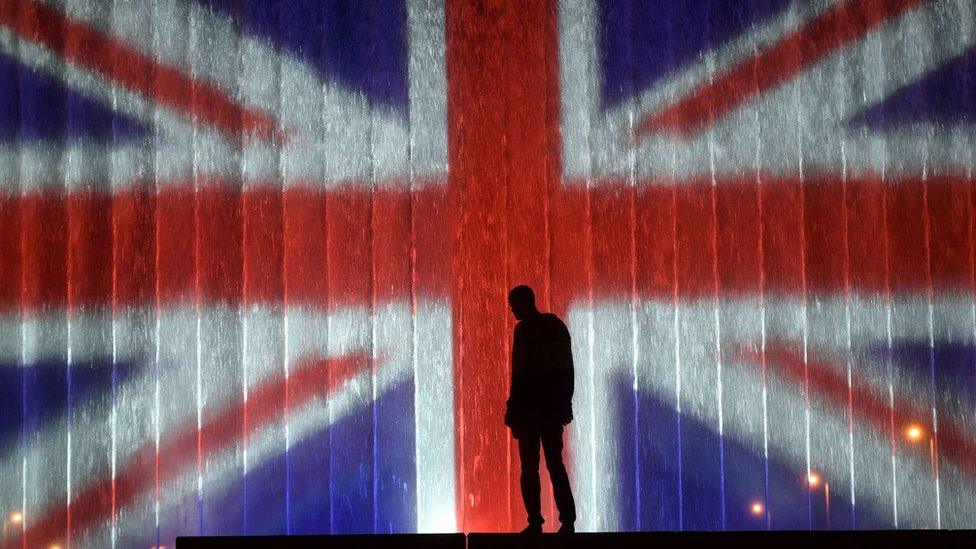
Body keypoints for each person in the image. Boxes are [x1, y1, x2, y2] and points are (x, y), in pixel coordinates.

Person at [504, 285, 577, 534]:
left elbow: (520, 375)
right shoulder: (557, 327)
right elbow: (568, 370)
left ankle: (535, 522)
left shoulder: (523, 331)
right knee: (555, 464)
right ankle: (567, 521)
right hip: (552, 410)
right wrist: (565, 403)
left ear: (524, 303)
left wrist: (513, 410)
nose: (512, 310)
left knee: (529, 468)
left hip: (529, 412)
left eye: (513, 305)